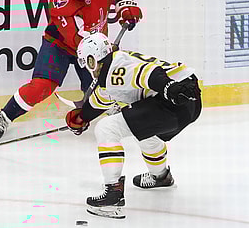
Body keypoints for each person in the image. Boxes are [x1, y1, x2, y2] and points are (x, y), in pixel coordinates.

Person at [0, 0, 143, 142]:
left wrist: (125, 6)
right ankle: (4, 116)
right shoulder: (59, 2)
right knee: (41, 87)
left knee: (103, 86)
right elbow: (78, 41)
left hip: (93, 45)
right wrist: (103, 57)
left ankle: (115, 112)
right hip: (60, 46)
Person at [65, 33, 202, 219]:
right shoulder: (113, 70)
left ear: (93, 59)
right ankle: (160, 176)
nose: (89, 69)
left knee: (107, 129)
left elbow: (149, 74)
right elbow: (101, 99)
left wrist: (168, 87)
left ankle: (113, 195)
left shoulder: (116, 69)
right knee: (146, 133)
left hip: (175, 99)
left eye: (88, 62)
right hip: (187, 103)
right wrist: (82, 117)